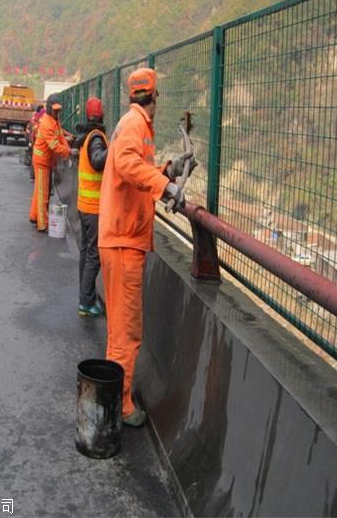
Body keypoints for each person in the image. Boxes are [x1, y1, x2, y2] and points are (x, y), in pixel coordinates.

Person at [98, 68, 195, 426]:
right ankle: (121, 406)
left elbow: (137, 169)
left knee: (118, 330)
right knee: (128, 331)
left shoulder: (132, 123)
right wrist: (166, 187)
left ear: (132, 95)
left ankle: (110, 396)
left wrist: (167, 170)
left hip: (120, 237)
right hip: (124, 241)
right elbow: (127, 164)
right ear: (155, 96)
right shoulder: (136, 124)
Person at [76, 97, 108, 318]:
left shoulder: (86, 136)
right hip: (93, 208)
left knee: (86, 252)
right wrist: (115, 149)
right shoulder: (96, 137)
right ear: (102, 114)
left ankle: (85, 295)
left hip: (84, 206)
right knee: (93, 255)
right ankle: (86, 302)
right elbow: (97, 161)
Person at [29, 93, 77, 232]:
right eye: (55, 110)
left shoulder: (54, 121)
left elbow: (60, 136)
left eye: (58, 110)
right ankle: (43, 224)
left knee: (39, 191)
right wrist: (69, 152)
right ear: (49, 109)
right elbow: (54, 145)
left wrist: (68, 141)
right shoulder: (47, 123)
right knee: (43, 194)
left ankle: (34, 216)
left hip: (46, 160)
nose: (57, 113)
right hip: (42, 161)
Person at [27, 104, 45, 181]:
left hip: (34, 141)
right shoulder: (37, 119)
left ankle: (33, 176)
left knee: (34, 159)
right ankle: (33, 176)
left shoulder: (35, 118)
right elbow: (32, 132)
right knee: (35, 159)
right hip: (35, 141)